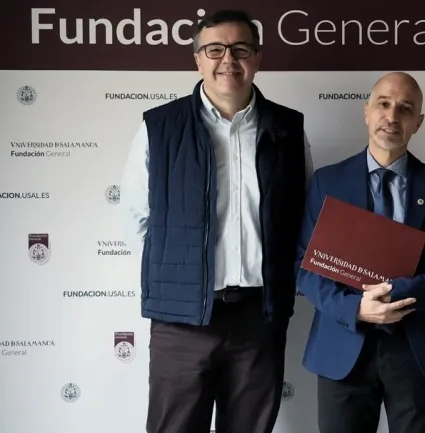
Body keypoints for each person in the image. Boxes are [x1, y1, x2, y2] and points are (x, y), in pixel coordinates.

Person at [119, 9, 313, 433]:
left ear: (257, 58)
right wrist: (179, 280)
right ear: (197, 59)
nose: (228, 59)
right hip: (182, 319)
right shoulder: (159, 127)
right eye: (215, 50)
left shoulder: (287, 129)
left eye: (240, 49)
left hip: (260, 317)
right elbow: (137, 218)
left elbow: (303, 217)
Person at [295, 71, 425, 433]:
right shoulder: (326, 183)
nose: (392, 116)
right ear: (367, 111)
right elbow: (306, 266)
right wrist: (354, 308)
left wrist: (400, 293)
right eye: (383, 104)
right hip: (342, 345)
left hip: (417, 349)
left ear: (418, 123)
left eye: (405, 108)